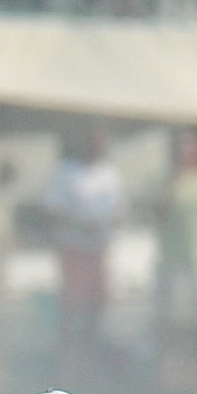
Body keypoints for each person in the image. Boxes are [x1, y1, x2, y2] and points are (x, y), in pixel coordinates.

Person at [42, 130, 124, 363]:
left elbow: (118, 209)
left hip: (99, 246)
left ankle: (90, 352)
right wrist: (80, 224)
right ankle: (66, 356)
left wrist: (106, 225)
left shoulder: (109, 174)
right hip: (73, 246)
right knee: (72, 303)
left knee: (98, 303)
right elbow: (52, 210)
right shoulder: (65, 171)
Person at [154, 128, 197, 381]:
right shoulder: (167, 183)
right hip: (174, 260)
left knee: (193, 319)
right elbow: (158, 214)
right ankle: (170, 369)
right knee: (174, 318)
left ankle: (189, 368)